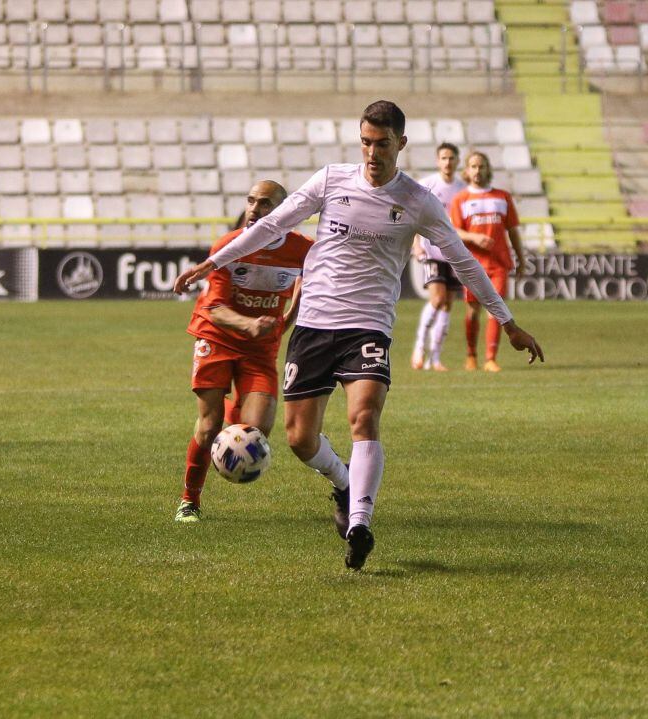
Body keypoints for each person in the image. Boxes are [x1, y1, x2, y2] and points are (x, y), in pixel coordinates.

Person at [174, 101, 543, 570]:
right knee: (299, 438)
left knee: (364, 417)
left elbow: (464, 262)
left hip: (368, 325)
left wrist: (507, 322)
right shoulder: (331, 180)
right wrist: (213, 263)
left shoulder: (419, 201)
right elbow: (273, 224)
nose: (372, 152)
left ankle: (360, 523)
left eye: (382, 144)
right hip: (313, 325)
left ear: (401, 145)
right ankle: (344, 481)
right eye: (366, 142)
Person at [175, 180, 313, 523]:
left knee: (256, 431)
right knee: (209, 428)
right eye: (251, 200)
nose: (254, 208)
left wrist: (287, 320)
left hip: (260, 350)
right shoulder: (229, 245)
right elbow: (216, 308)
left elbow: (307, 285)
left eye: (264, 203)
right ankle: (189, 500)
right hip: (217, 338)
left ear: (284, 212)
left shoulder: (302, 250)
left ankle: (230, 404)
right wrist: (248, 325)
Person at [449, 151, 526, 373]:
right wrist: (474, 237)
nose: (477, 170)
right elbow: (454, 231)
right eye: (473, 166)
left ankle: (490, 358)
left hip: (499, 263)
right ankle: (471, 355)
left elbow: (513, 231)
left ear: (488, 169)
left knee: (495, 310)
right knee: (472, 311)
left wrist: (521, 259)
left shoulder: (502, 197)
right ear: (466, 170)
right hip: (473, 265)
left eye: (481, 166)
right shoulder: (461, 199)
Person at [410, 142, 466, 371]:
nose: (448, 162)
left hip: (454, 252)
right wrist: (416, 243)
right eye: (444, 158)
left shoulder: (463, 189)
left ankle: (435, 357)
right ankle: (419, 349)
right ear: (437, 161)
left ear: (457, 161)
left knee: (447, 305)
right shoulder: (427, 185)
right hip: (432, 250)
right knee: (437, 299)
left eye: (452, 158)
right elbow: (414, 215)